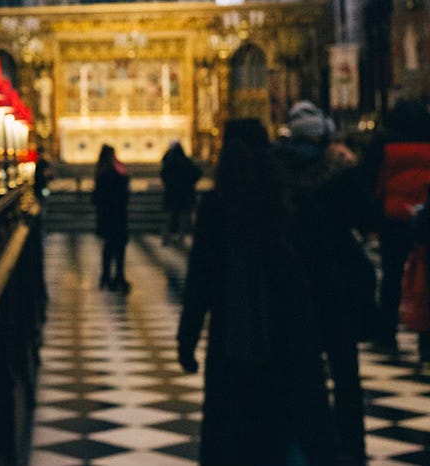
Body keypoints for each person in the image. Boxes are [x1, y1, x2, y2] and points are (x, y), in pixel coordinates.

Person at [178, 119, 338, 466]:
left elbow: (200, 280)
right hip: (289, 336)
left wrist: (186, 339)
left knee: (235, 436)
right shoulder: (292, 196)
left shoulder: (218, 205)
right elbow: (319, 270)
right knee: (284, 430)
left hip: (234, 337)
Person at [276, 101, 371, 465]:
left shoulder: (278, 172)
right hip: (337, 280)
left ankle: (308, 442)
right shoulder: (340, 170)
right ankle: (351, 445)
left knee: (302, 370)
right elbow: (366, 217)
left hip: (295, 279)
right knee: (345, 371)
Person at [372, 99, 430, 357]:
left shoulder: (385, 143)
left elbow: (374, 179)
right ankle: (425, 337)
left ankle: (386, 333)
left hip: (392, 215)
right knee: (424, 276)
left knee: (391, 276)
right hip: (424, 211)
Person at [92, 144, 131, 291]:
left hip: (106, 216)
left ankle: (106, 276)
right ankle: (119, 276)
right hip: (117, 215)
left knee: (108, 247)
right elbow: (123, 190)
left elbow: (95, 198)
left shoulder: (100, 171)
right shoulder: (114, 171)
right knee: (119, 247)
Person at [160, 141, 201, 245]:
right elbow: (197, 173)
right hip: (184, 193)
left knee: (170, 215)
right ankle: (181, 236)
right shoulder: (185, 161)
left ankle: (167, 235)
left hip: (172, 192)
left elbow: (163, 174)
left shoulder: (169, 161)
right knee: (183, 215)